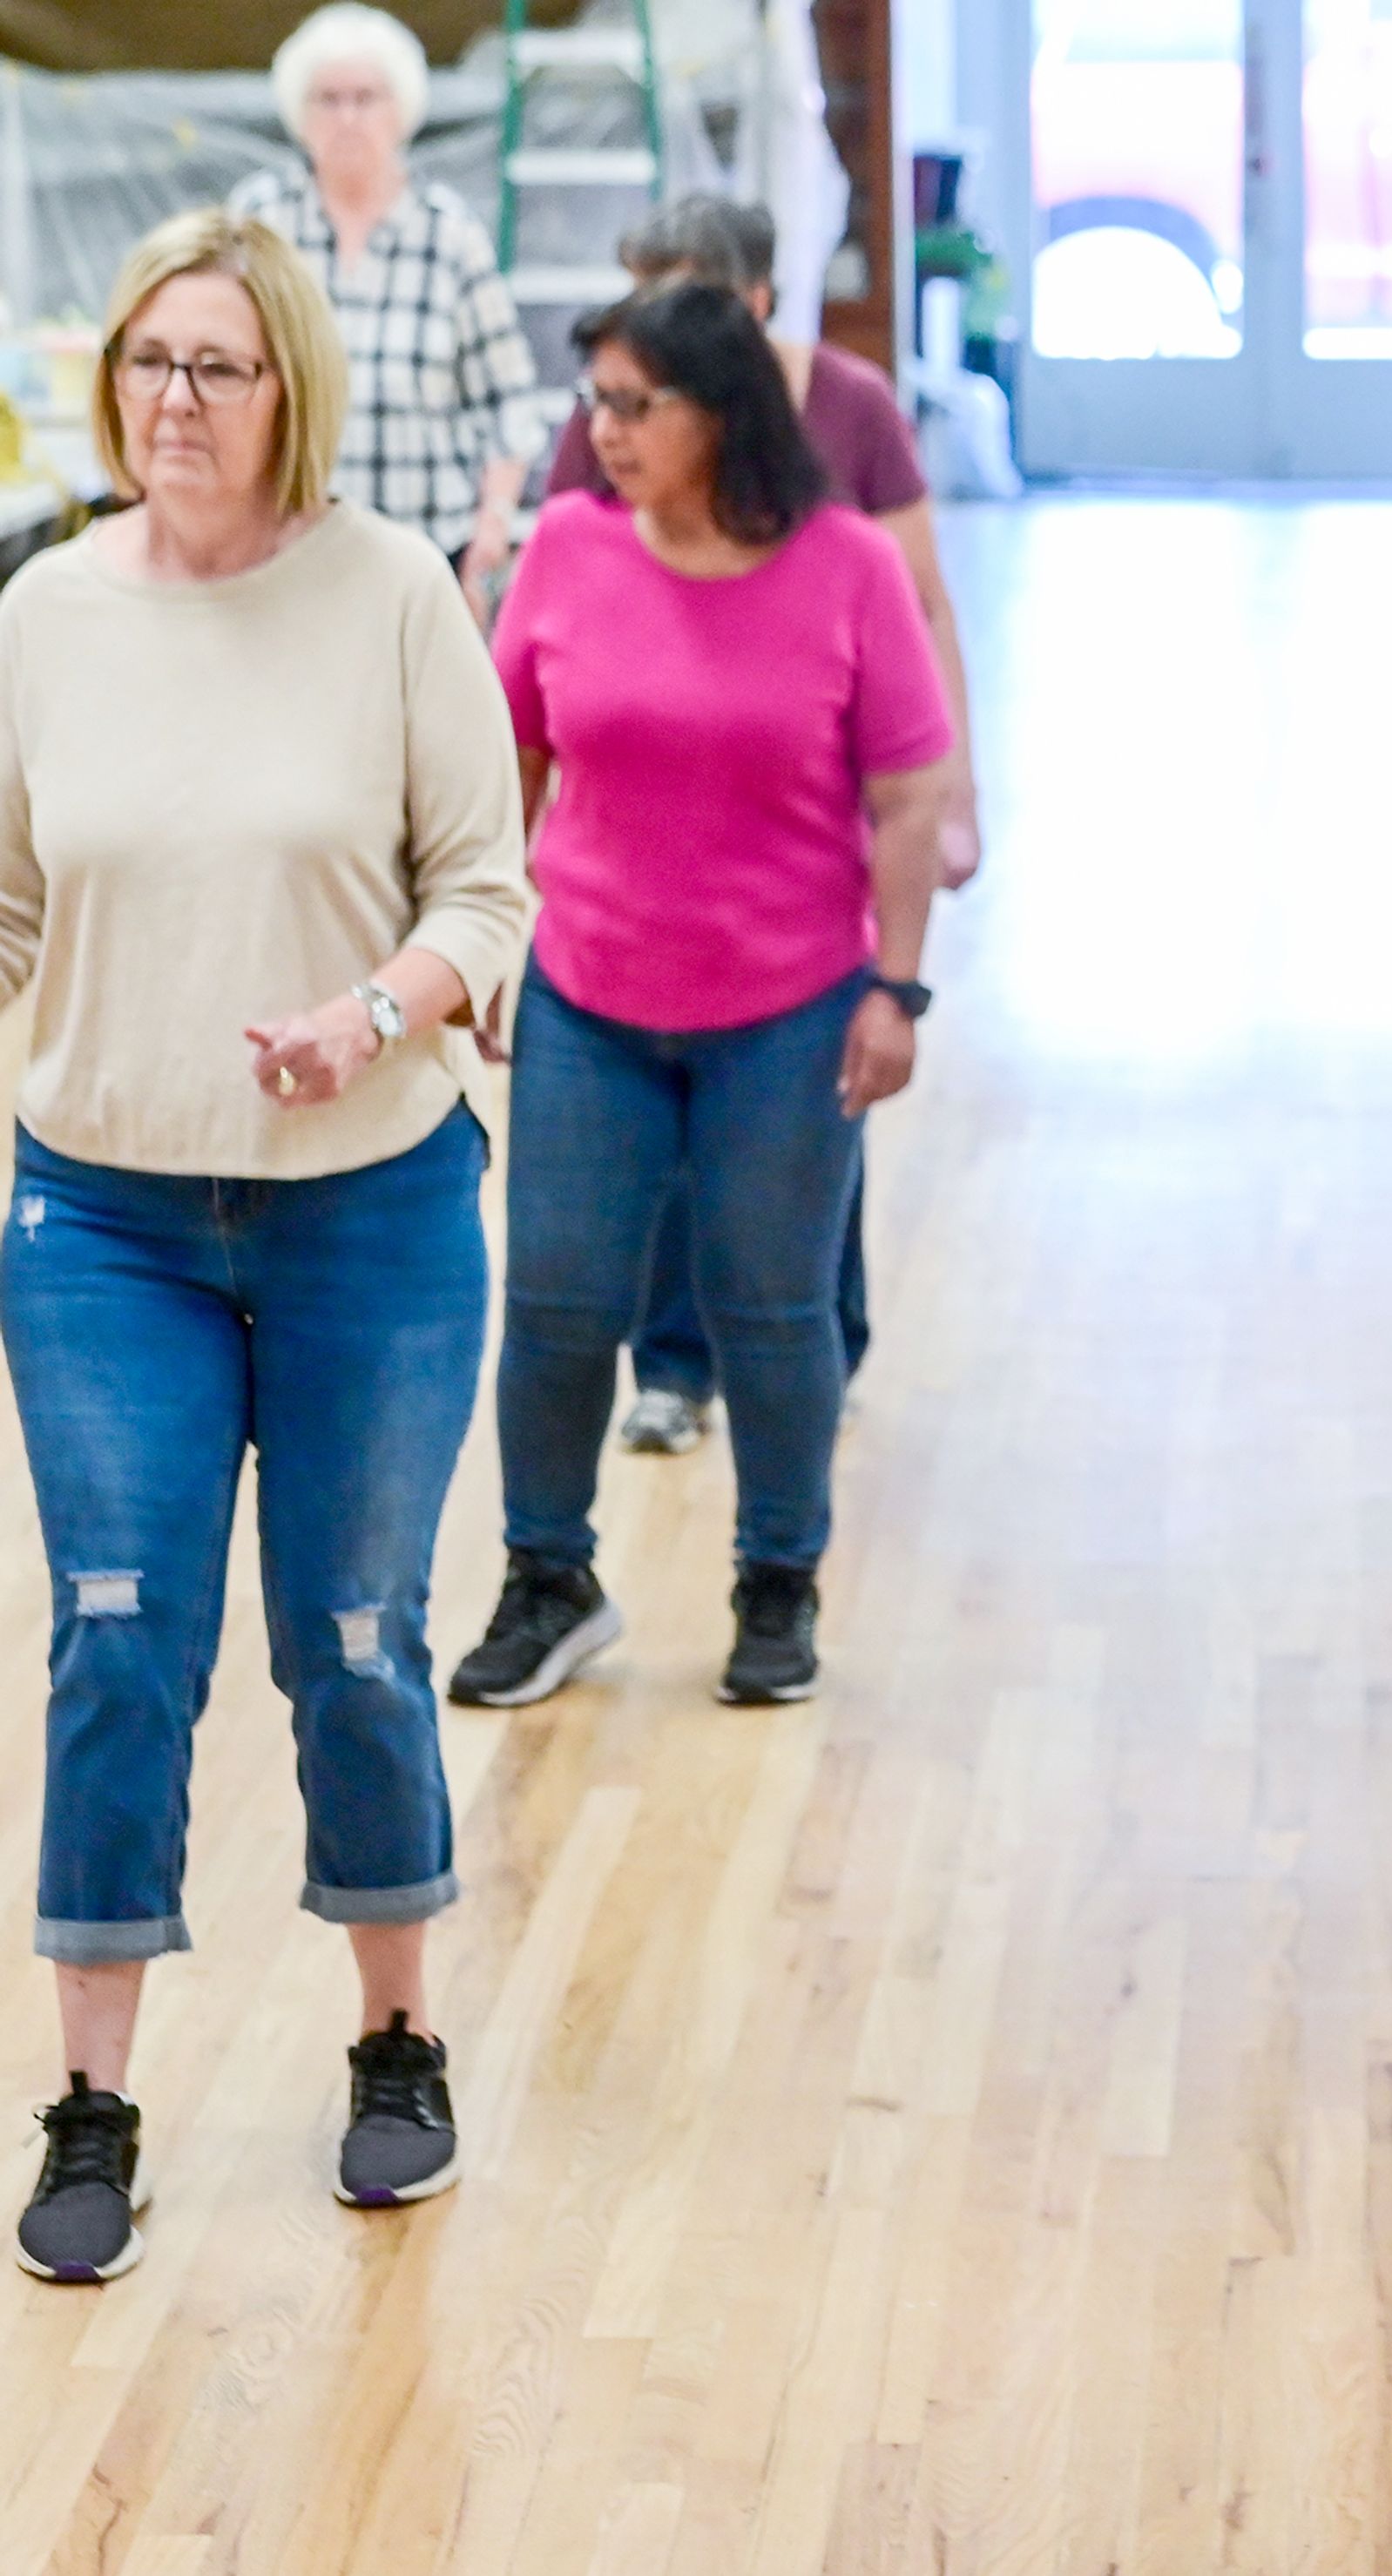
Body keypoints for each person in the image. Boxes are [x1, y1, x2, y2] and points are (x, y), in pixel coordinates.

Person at [0, 211, 529, 2281]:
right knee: (120, 1638)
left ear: (289, 382)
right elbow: (14, 910)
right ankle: (94, 2097)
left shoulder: (392, 594)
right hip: (101, 1219)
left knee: (362, 1643)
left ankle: (397, 2044)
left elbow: (488, 891)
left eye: (216, 365)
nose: (172, 401)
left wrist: (372, 1013)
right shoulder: (44, 611)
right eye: (147, 360)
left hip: (373, 1215)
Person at [452, 281, 952, 1712]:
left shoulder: (846, 565)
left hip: (787, 1011)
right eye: (592, 402)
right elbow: (512, 767)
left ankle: (776, 1581)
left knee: (772, 1308)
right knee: (553, 1305)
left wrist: (897, 989)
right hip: (588, 998)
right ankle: (549, 1576)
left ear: (719, 411)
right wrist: (488, 943)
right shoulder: (565, 549)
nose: (599, 432)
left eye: (631, 404)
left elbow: (909, 796)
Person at [544, 195, 985, 1457]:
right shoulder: (617, 428)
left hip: (812, 821)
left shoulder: (848, 408)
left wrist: (958, 788)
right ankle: (676, 1365)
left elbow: (924, 600)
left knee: (792, 1141)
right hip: (657, 823)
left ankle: (810, 1350)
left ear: (747, 307)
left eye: (676, 297)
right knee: (669, 1142)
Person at [229, 4, 541, 599]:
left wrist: (491, 528)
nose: (347, 117)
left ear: (401, 110)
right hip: (281, 548)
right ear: (299, 112)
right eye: (328, 98)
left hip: (425, 554)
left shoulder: (449, 233)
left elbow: (510, 401)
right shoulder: (259, 222)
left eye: (366, 97)